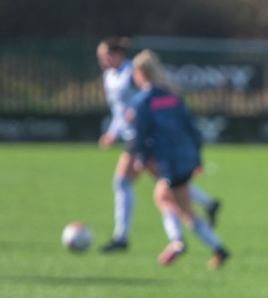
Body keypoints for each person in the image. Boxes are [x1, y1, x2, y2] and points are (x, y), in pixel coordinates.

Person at [96, 37, 221, 253]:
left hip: (144, 143)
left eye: (106, 55)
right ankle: (207, 209)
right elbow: (122, 112)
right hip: (149, 144)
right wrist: (113, 133)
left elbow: (140, 111)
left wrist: (140, 154)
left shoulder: (132, 78)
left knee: (160, 193)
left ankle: (164, 240)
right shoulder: (111, 77)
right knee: (167, 187)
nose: (102, 60)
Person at [128, 50, 230, 269]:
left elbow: (140, 135)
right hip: (185, 157)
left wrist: (142, 158)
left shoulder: (141, 101)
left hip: (169, 161)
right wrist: (198, 158)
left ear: (140, 73)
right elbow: (192, 129)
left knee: (174, 205)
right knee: (172, 201)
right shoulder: (172, 96)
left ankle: (187, 243)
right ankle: (206, 244)